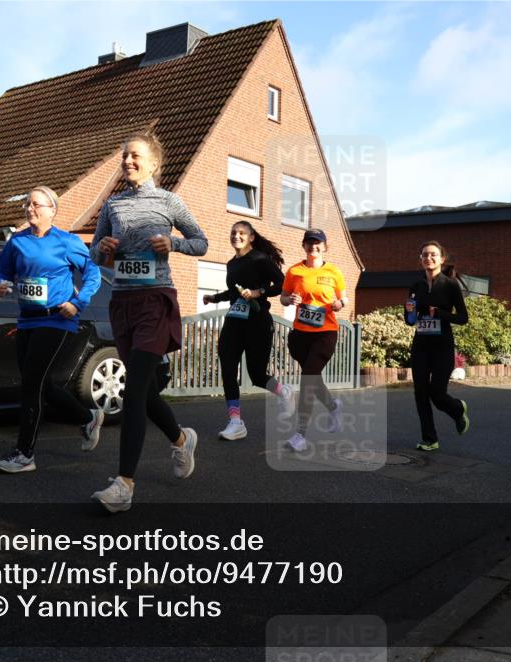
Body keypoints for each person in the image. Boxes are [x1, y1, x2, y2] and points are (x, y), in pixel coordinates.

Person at [88, 131, 208, 513]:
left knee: (134, 391)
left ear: (155, 163)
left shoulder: (169, 202)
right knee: (145, 391)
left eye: (135, 155)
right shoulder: (113, 205)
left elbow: (201, 242)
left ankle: (124, 483)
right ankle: (180, 439)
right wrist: (103, 249)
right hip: (122, 301)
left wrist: (173, 244)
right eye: (124, 156)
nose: (127, 161)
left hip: (155, 301)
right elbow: (94, 254)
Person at [0, 185, 104, 473]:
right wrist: (1, 284)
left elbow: (93, 273)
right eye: (27, 204)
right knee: (42, 384)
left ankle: (24, 454)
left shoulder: (66, 242)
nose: (30, 209)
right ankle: (88, 417)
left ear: (52, 210)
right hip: (27, 318)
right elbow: (4, 270)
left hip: (57, 319)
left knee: (32, 384)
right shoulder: (17, 242)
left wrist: (78, 303)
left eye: (36, 205)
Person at [203, 221, 294, 440]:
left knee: (256, 375)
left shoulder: (261, 259)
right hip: (234, 319)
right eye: (233, 232)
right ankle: (235, 421)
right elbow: (235, 292)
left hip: (258, 321)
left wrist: (258, 292)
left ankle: (284, 392)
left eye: (242, 233)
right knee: (227, 366)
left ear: (251, 237)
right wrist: (214, 297)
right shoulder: (231, 264)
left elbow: (282, 284)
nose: (237, 236)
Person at [279, 229, 347, 452]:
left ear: (325, 246)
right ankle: (333, 406)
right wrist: (291, 299)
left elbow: (343, 297)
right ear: (304, 246)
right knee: (312, 377)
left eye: (317, 243)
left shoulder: (334, 271)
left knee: (308, 379)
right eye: (309, 242)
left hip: (325, 332)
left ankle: (300, 434)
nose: (313, 246)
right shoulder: (294, 271)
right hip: (300, 335)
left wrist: (340, 304)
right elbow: (283, 296)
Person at [403, 241, 470, 451]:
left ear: (441, 259)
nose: (428, 258)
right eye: (424, 255)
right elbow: (410, 320)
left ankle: (458, 409)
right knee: (420, 392)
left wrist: (439, 314)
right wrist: (409, 312)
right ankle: (429, 439)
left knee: (437, 394)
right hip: (421, 345)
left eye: (433, 255)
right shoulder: (416, 286)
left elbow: (463, 318)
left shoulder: (450, 285)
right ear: (420, 259)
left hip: (442, 346)